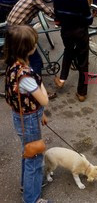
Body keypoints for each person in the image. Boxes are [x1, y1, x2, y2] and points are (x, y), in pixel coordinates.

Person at [4, 25, 50, 203]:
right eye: (34, 43)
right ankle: (32, 198)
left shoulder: (12, 66)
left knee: (28, 151)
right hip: (28, 120)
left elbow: (23, 99)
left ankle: (27, 184)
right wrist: (41, 83)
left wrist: (41, 115)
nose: (36, 45)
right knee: (35, 156)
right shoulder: (27, 76)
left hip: (22, 116)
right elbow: (44, 99)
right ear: (28, 48)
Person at [7, 0, 55, 100]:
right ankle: (37, 90)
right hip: (18, 32)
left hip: (11, 29)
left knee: (18, 60)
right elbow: (51, 13)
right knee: (36, 61)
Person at [52, 0, 93, 102]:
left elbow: (57, 14)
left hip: (66, 31)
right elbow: (88, 19)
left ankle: (62, 78)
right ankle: (81, 93)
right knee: (83, 62)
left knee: (68, 51)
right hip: (80, 32)